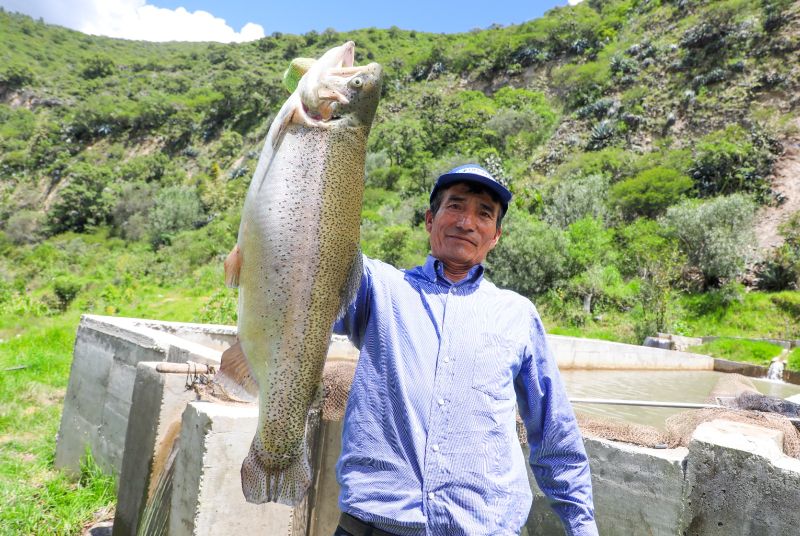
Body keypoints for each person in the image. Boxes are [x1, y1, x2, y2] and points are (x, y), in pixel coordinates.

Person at [332, 164, 597, 536]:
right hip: (375, 526)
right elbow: (312, 266)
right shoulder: (379, 288)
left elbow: (553, 431)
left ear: (496, 236)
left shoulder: (517, 314)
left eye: (484, 213)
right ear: (430, 220)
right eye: (455, 206)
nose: (467, 222)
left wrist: (582, 527)